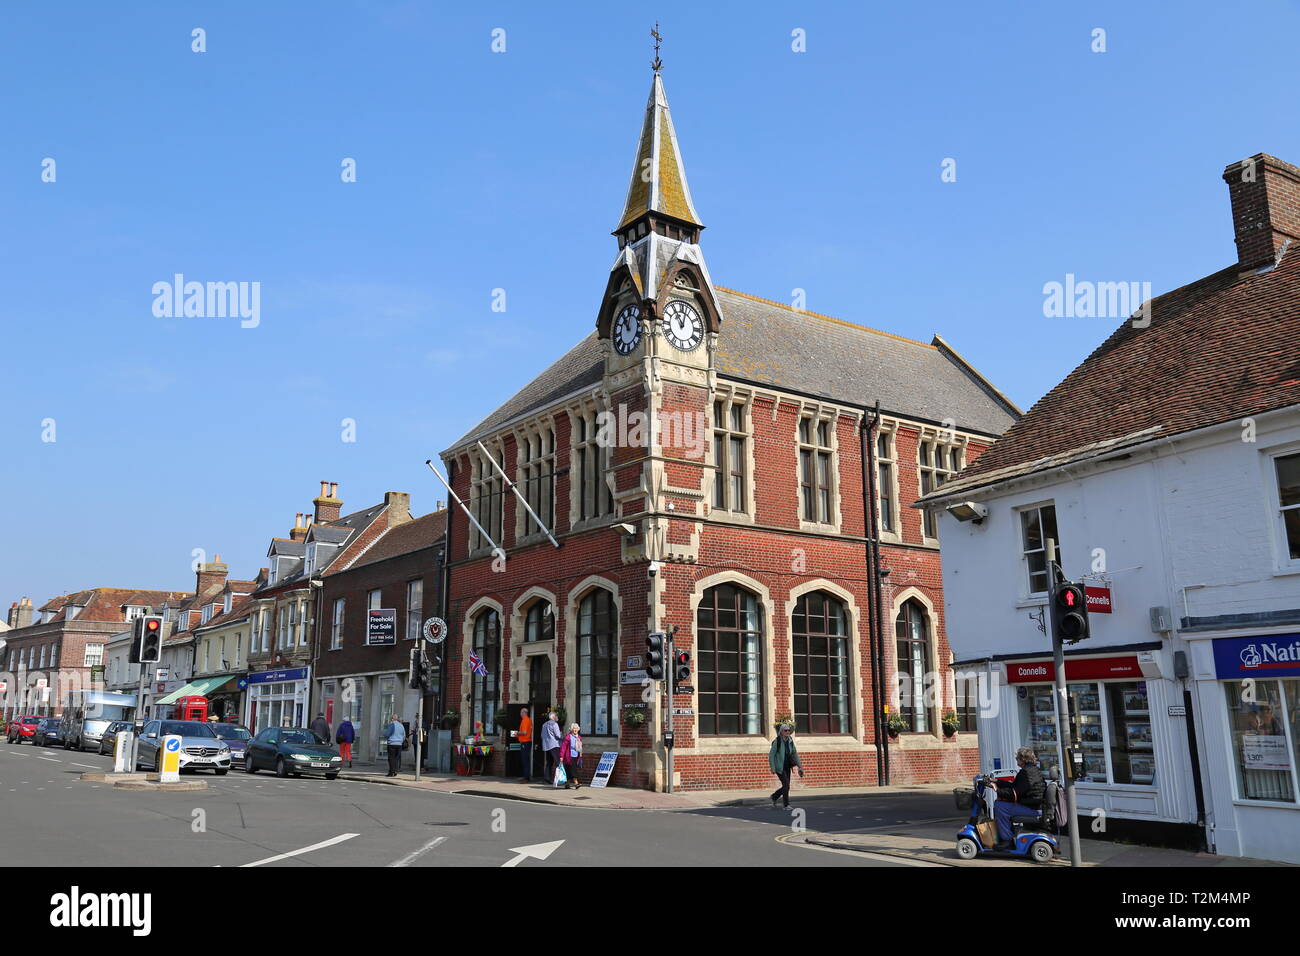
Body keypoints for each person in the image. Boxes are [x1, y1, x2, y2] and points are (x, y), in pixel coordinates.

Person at [993, 746, 1045, 848]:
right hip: (1037, 805)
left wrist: (997, 790)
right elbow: (1016, 786)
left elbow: (1015, 794)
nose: (1016, 760)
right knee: (1003, 804)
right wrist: (997, 781)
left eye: (1017, 758)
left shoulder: (1025, 772)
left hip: (1032, 808)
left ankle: (1007, 840)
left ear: (1023, 760)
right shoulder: (1033, 770)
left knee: (1000, 806)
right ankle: (1008, 834)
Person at [768, 723, 803, 809]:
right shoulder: (777, 742)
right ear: (781, 732)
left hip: (787, 766)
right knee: (786, 785)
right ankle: (786, 805)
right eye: (785, 730)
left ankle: (774, 796)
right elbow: (771, 755)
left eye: (788, 730)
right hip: (779, 767)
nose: (788, 732)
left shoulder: (790, 741)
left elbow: (794, 754)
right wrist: (772, 768)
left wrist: (800, 766)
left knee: (786, 786)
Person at [559, 723, 583, 789]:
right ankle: (576, 783)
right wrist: (561, 756)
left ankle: (567, 784)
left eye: (576, 728)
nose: (575, 730)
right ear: (571, 729)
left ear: (578, 729)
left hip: (576, 756)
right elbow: (563, 747)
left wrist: (580, 756)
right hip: (568, 757)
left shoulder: (579, 738)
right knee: (573, 770)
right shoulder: (568, 737)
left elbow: (580, 748)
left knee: (569, 770)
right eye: (574, 728)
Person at [541, 711, 562, 782]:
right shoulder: (554, 724)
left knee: (549, 762)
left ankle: (547, 778)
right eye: (556, 716)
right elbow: (558, 735)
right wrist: (564, 737)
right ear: (553, 717)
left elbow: (542, 736)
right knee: (558, 762)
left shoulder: (544, 725)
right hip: (554, 745)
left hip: (546, 746)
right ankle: (558, 778)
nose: (557, 717)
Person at [516, 707, 533, 782]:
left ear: (524, 713)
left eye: (521, 712)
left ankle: (526, 778)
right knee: (526, 760)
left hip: (525, 742)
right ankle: (526, 777)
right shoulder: (528, 720)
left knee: (525, 760)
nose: (520, 714)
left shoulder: (525, 720)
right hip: (526, 742)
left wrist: (516, 733)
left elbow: (525, 732)